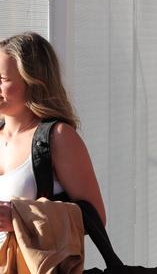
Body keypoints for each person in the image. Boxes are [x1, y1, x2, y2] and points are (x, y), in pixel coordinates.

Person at [0, 32, 106, 241]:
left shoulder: (58, 138)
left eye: (2, 79)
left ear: (33, 81)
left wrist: (20, 216)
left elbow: (95, 218)